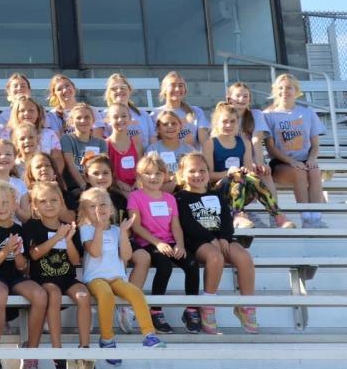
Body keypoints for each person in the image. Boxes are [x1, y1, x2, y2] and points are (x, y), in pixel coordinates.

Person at [76, 187, 165, 366]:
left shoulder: (117, 230)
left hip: (116, 277)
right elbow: (95, 252)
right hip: (95, 278)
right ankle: (107, 339)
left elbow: (126, 256)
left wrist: (123, 233)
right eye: (92, 206)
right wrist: (99, 228)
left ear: (111, 209)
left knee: (136, 293)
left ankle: (149, 334)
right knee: (106, 295)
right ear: (84, 212)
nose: (98, 209)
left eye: (103, 204)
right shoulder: (86, 229)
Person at [173, 152, 260, 335]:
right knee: (215, 257)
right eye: (192, 171)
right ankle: (208, 306)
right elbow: (187, 224)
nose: (198, 175)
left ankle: (246, 305)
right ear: (181, 174)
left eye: (202, 170)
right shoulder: (180, 198)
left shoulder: (216, 194)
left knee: (244, 257)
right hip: (196, 241)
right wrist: (210, 238)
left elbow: (226, 219)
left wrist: (223, 237)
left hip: (221, 238)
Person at [0, 179, 47, 369]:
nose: (1, 208)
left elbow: (23, 268)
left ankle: (31, 352)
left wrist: (16, 255)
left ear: (14, 203)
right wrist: (5, 250)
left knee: (40, 295)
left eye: (5, 203)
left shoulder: (20, 229)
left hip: (15, 276)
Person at [125, 154, 200, 334]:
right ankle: (156, 311)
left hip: (170, 242)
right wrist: (157, 243)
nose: (154, 177)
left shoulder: (169, 198)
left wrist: (180, 245)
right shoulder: (135, 196)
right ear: (139, 176)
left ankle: (191, 309)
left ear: (165, 176)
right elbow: (136, 226)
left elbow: (175, 226)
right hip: (148, 242)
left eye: (158, 173)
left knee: (192, 264)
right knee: (164, 265)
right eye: (148, 173)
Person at [21, 182, 91, 369]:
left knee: (83, 295)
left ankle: (85, 348)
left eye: (54, 200)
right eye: (43, 201)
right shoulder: (32, 226)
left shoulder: (69, 227)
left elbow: (75, 260)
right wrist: (56, 237)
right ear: (35, 206)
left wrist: (67, 240)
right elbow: (34, 254)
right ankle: (56, 348)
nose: (49, 204)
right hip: (43, 278)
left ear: (61, 203)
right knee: (54, 294)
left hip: (67, 277)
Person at [206, 102, 292, 229]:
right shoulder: (210, 143)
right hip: (219, 191)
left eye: (233, 121)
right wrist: (228, 173)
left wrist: (244, 170)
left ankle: (278, 216)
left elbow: (249, 171)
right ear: (216, 123)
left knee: (251, 177)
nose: (229, 125)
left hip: (242, 190)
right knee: (237, 176)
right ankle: (238, 215)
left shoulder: (244, 142)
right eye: (224, 122)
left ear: (238, 122)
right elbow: (208, 176)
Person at [263, 74, 328, 227]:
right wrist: (292, 161)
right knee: (299, 172)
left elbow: (315, 145)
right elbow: (271, 148)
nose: (284, 91)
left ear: (296, 91)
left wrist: (311, 159)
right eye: (280, 88)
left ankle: (316, 218)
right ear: (275, 90)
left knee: (315, 171)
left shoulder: (307, 113)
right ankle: (306, 218)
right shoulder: (269, 115)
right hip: (281, 163)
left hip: (305, 160)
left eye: (289, 88)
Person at [155, 72, 209, 150]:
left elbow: (205, 142)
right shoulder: (155, 114)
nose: (177, 89)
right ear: (164, 89)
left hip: (192, 156)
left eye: (180, 85)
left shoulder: (196, 112)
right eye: (173, 85)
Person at [104, 103, 142, 194]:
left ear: (130, 119)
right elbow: (105, 170)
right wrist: (117, 182)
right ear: (109, 120)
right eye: (115, 117)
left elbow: (141, 170)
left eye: (124, 116)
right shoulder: (105, 145)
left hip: (136, 189)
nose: (120, 119)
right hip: (114, 190)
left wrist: (137, 182)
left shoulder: (137, 145)